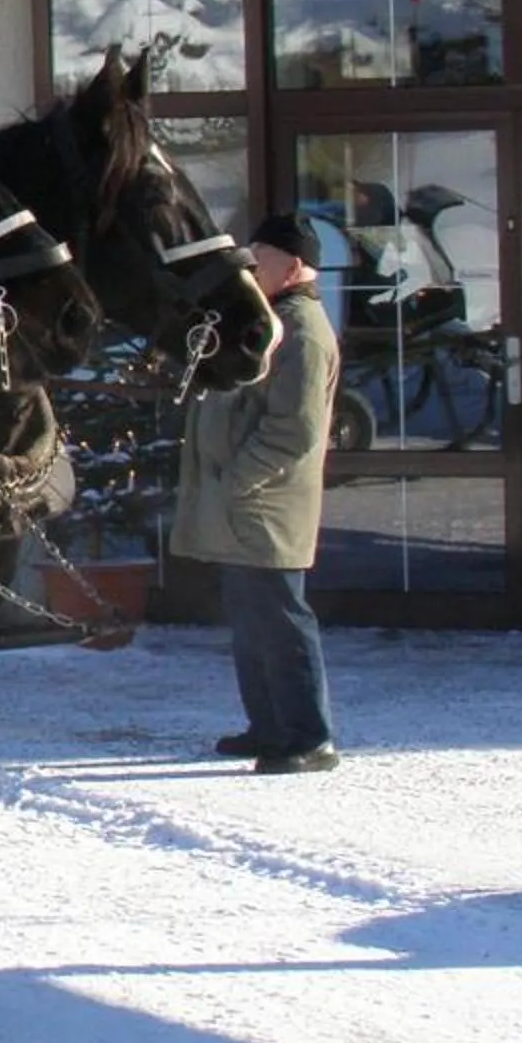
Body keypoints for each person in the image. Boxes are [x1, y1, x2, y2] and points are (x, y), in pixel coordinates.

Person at [172, 210, 343, 775]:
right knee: (252, 620)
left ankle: (308, 737)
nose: (247, 267)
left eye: (259, 258)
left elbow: (295, 429)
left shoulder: (303, 332)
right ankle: (269, 727)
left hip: (266, 503)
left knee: (282, 618)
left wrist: (238, 479)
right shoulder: (270, 321)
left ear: (294, 267)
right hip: (242, 503)